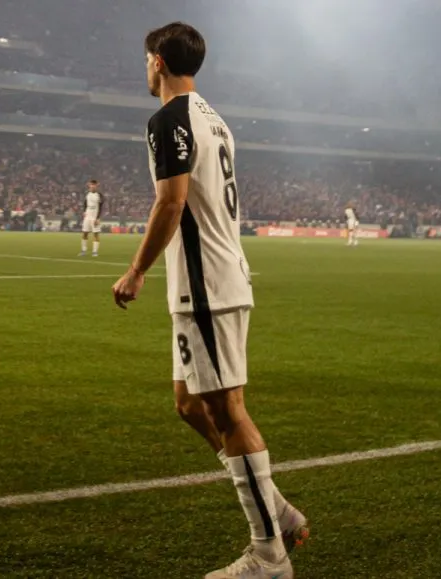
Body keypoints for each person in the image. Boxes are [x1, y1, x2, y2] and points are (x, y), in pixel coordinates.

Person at [112, 22, 305, 579]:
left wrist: (135, 270)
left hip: (208, 285)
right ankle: (277, 510)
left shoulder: (169, 119)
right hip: (210, 282)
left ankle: (268, 554)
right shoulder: (213, 118)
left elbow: (171, 204)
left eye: (145, 60)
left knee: (228, 408)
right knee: (190, 405)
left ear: (156, 61)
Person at [79, 179, 104, 257]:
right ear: (89, 185)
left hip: (95, 216)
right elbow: (85, 204)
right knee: (84, 233)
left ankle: (95, 251)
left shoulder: (99, 195)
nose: (92, 186)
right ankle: (83, 250)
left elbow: (101, 207)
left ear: (97, 185)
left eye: (94, 185)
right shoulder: (87, 194)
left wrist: (98, 218)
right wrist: (84, 211)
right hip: (87, 216)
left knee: (96, 234)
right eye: (91, 184)